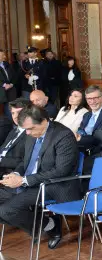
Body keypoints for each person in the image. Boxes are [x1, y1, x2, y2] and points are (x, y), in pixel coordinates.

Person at [0, 105, 80, 249]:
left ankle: (48, 225)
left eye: (31, 128)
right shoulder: (31, 134)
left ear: (43, 121)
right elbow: (25, 162)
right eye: (26, 129)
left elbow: (61, 171)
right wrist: (16, 174)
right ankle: (46, 224)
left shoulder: (63, 135)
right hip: (29, 182)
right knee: (7, 209)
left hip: (52, 184)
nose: (28, 133)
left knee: (7, 210)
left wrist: (24, 180)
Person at [75, 85, 102, 155]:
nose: (92, 101)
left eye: (95, 98)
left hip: (96, 152)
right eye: (89, 98)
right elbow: (81, 129)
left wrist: (80, 138)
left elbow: (101, 139)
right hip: (80, 148)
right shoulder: (86, 115)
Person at [0, 100, 30, 174]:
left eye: (19, 112)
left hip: (10, 173)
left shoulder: (31, 133)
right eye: (13, 113)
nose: (15, 116)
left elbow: (26, 161)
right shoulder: (14, 131)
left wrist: (1, 160)